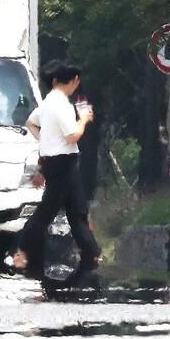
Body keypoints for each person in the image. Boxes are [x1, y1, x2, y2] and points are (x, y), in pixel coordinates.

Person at [17, 62, 102, 286]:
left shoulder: (47, 103)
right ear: (74, 80)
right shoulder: (61, 104)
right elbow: (72, 135)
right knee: (47, 211)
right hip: (63, 162)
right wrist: (83, 119)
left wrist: (46, 141)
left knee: (77, 210)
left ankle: (92, 253)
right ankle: (23, 249)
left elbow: (30, 123)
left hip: (56, 161)